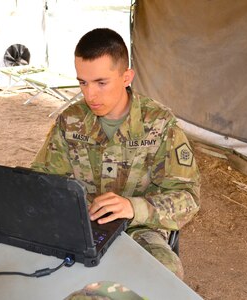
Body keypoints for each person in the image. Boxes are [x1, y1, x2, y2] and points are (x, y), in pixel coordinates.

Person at [31, 28, 200, 279]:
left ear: (126, 77)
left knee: (164, 277)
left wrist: (133, 207)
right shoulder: (70, 121)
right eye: (83, 83)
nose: (90, 95)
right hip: (79, 226)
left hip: (139, 228)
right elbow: (40, 180)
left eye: (101, 82)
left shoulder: (160, 124)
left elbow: (188, 198)